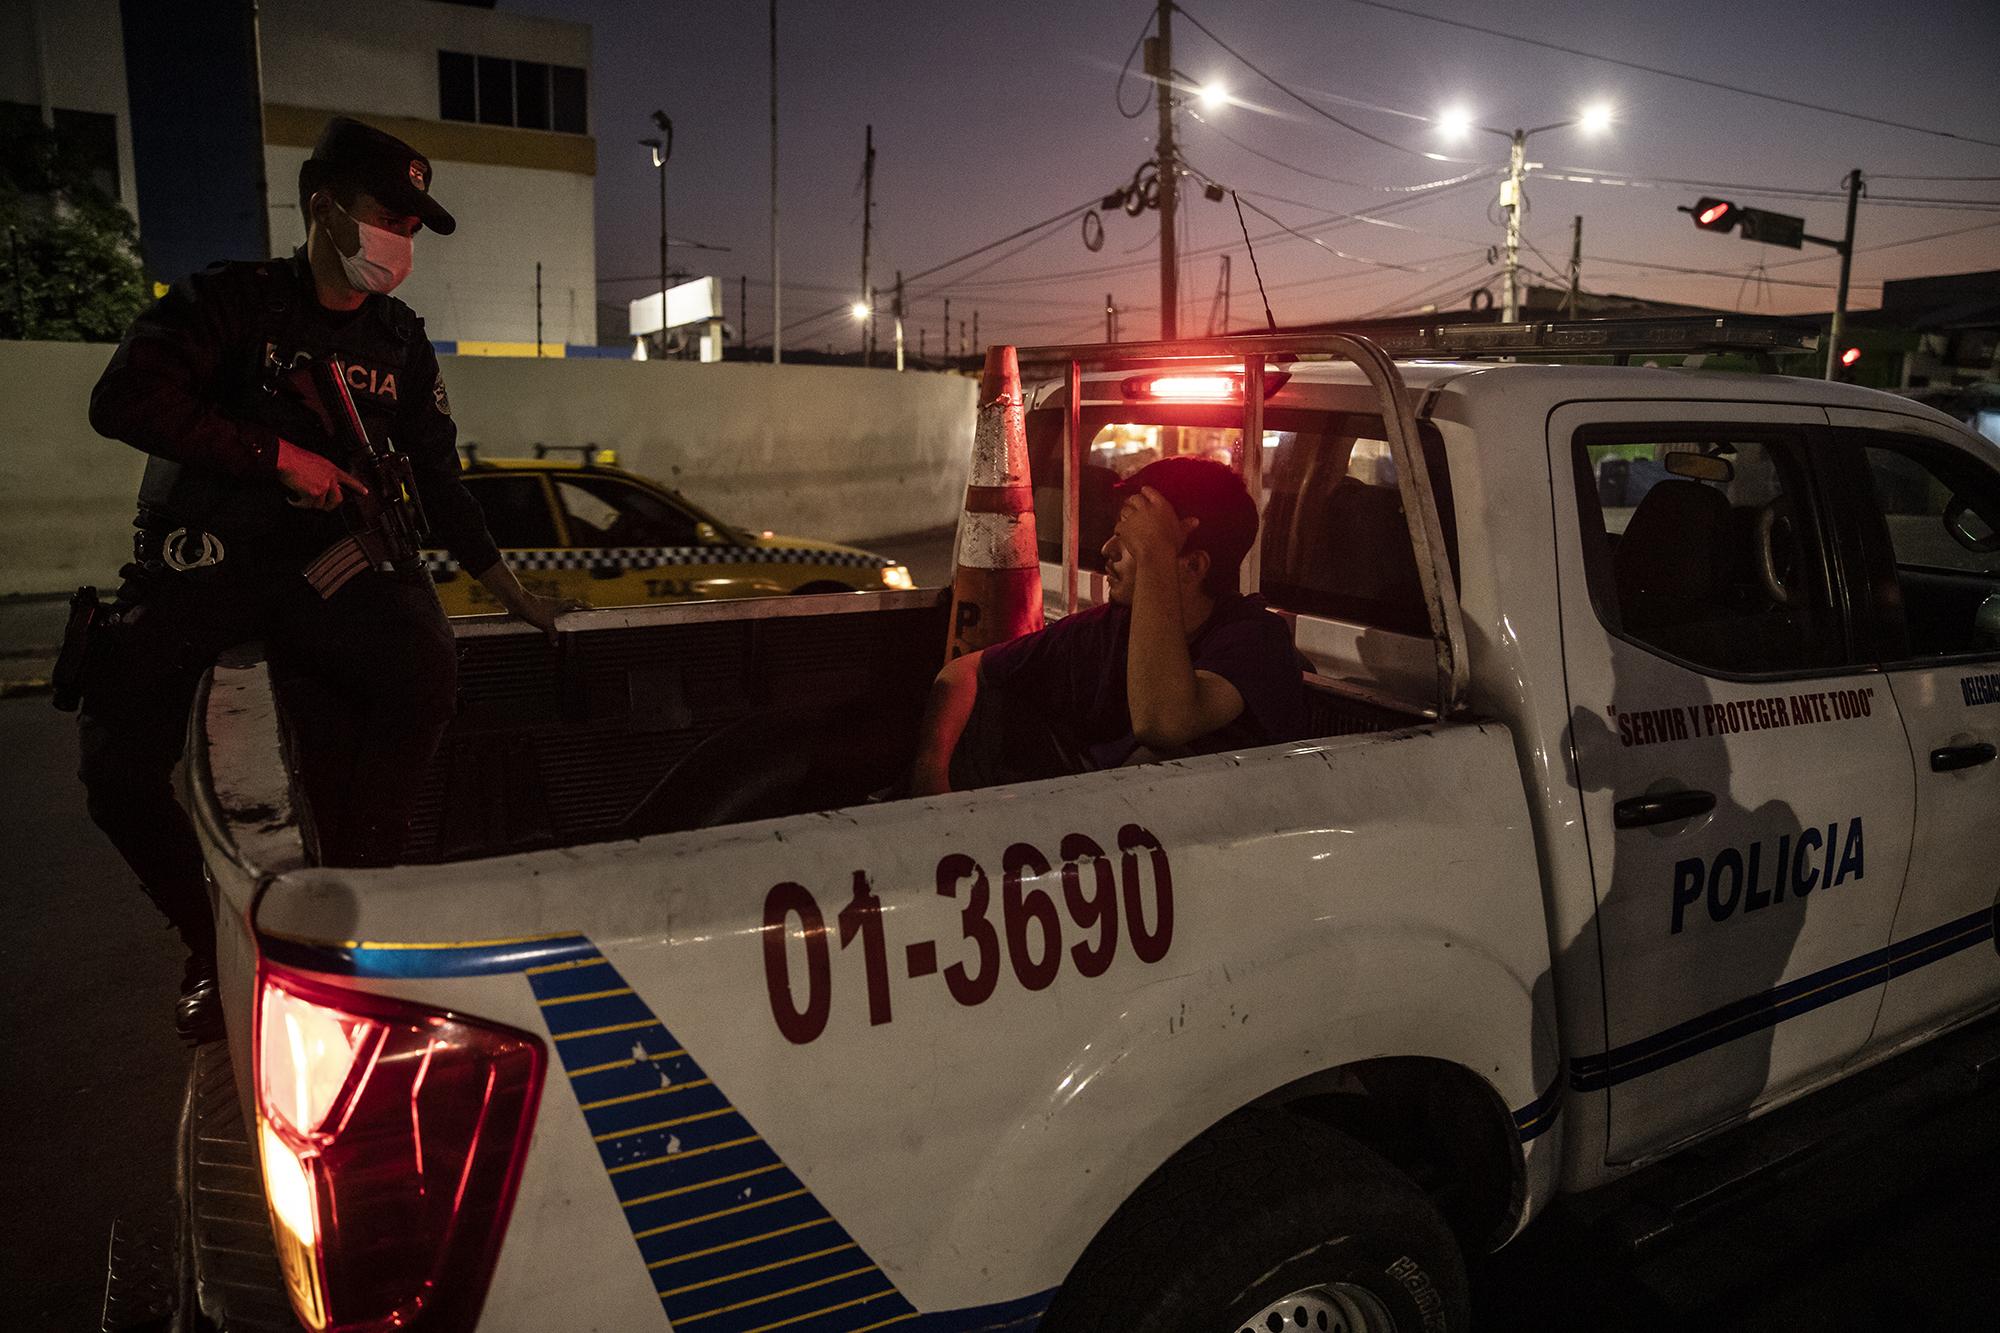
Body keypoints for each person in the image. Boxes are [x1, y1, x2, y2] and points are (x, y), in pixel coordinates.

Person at [79, 117, 573, 1040]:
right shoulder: (230, 304)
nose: (402, 239)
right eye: (389, 215)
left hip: (326, 575)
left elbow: (439, 476)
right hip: (203, 570)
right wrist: (275, 457)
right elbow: (124, 399)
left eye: (414, 225)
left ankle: (354, 921)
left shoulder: (399, 342)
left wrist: (506, 587)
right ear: (324, 207)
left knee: (421, 675)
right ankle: (208, 942)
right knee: (114, 770)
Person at [912, 455, 1309, 794]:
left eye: (1131, 543)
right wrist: (931, 779)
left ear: (1193, 565)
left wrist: (1155, 553)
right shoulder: (1108, 627)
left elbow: (1163, 724)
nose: (1106, 551)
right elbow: (963, 673)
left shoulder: (1254, 639)